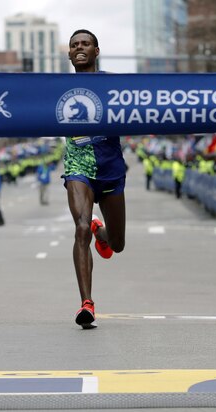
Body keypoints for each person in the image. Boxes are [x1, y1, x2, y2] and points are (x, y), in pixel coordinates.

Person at [63, 29, 127, 329]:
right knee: (80, 228)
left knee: (117, 244)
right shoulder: (58, 86)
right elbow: (16, 103)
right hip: (79, 164)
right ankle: (86, 303)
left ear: (96, 51)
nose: (79, 48)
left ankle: (102, 232)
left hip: (110, 166)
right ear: (68, 54)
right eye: (74, 44)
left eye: (85, 44)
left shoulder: (112, 84)